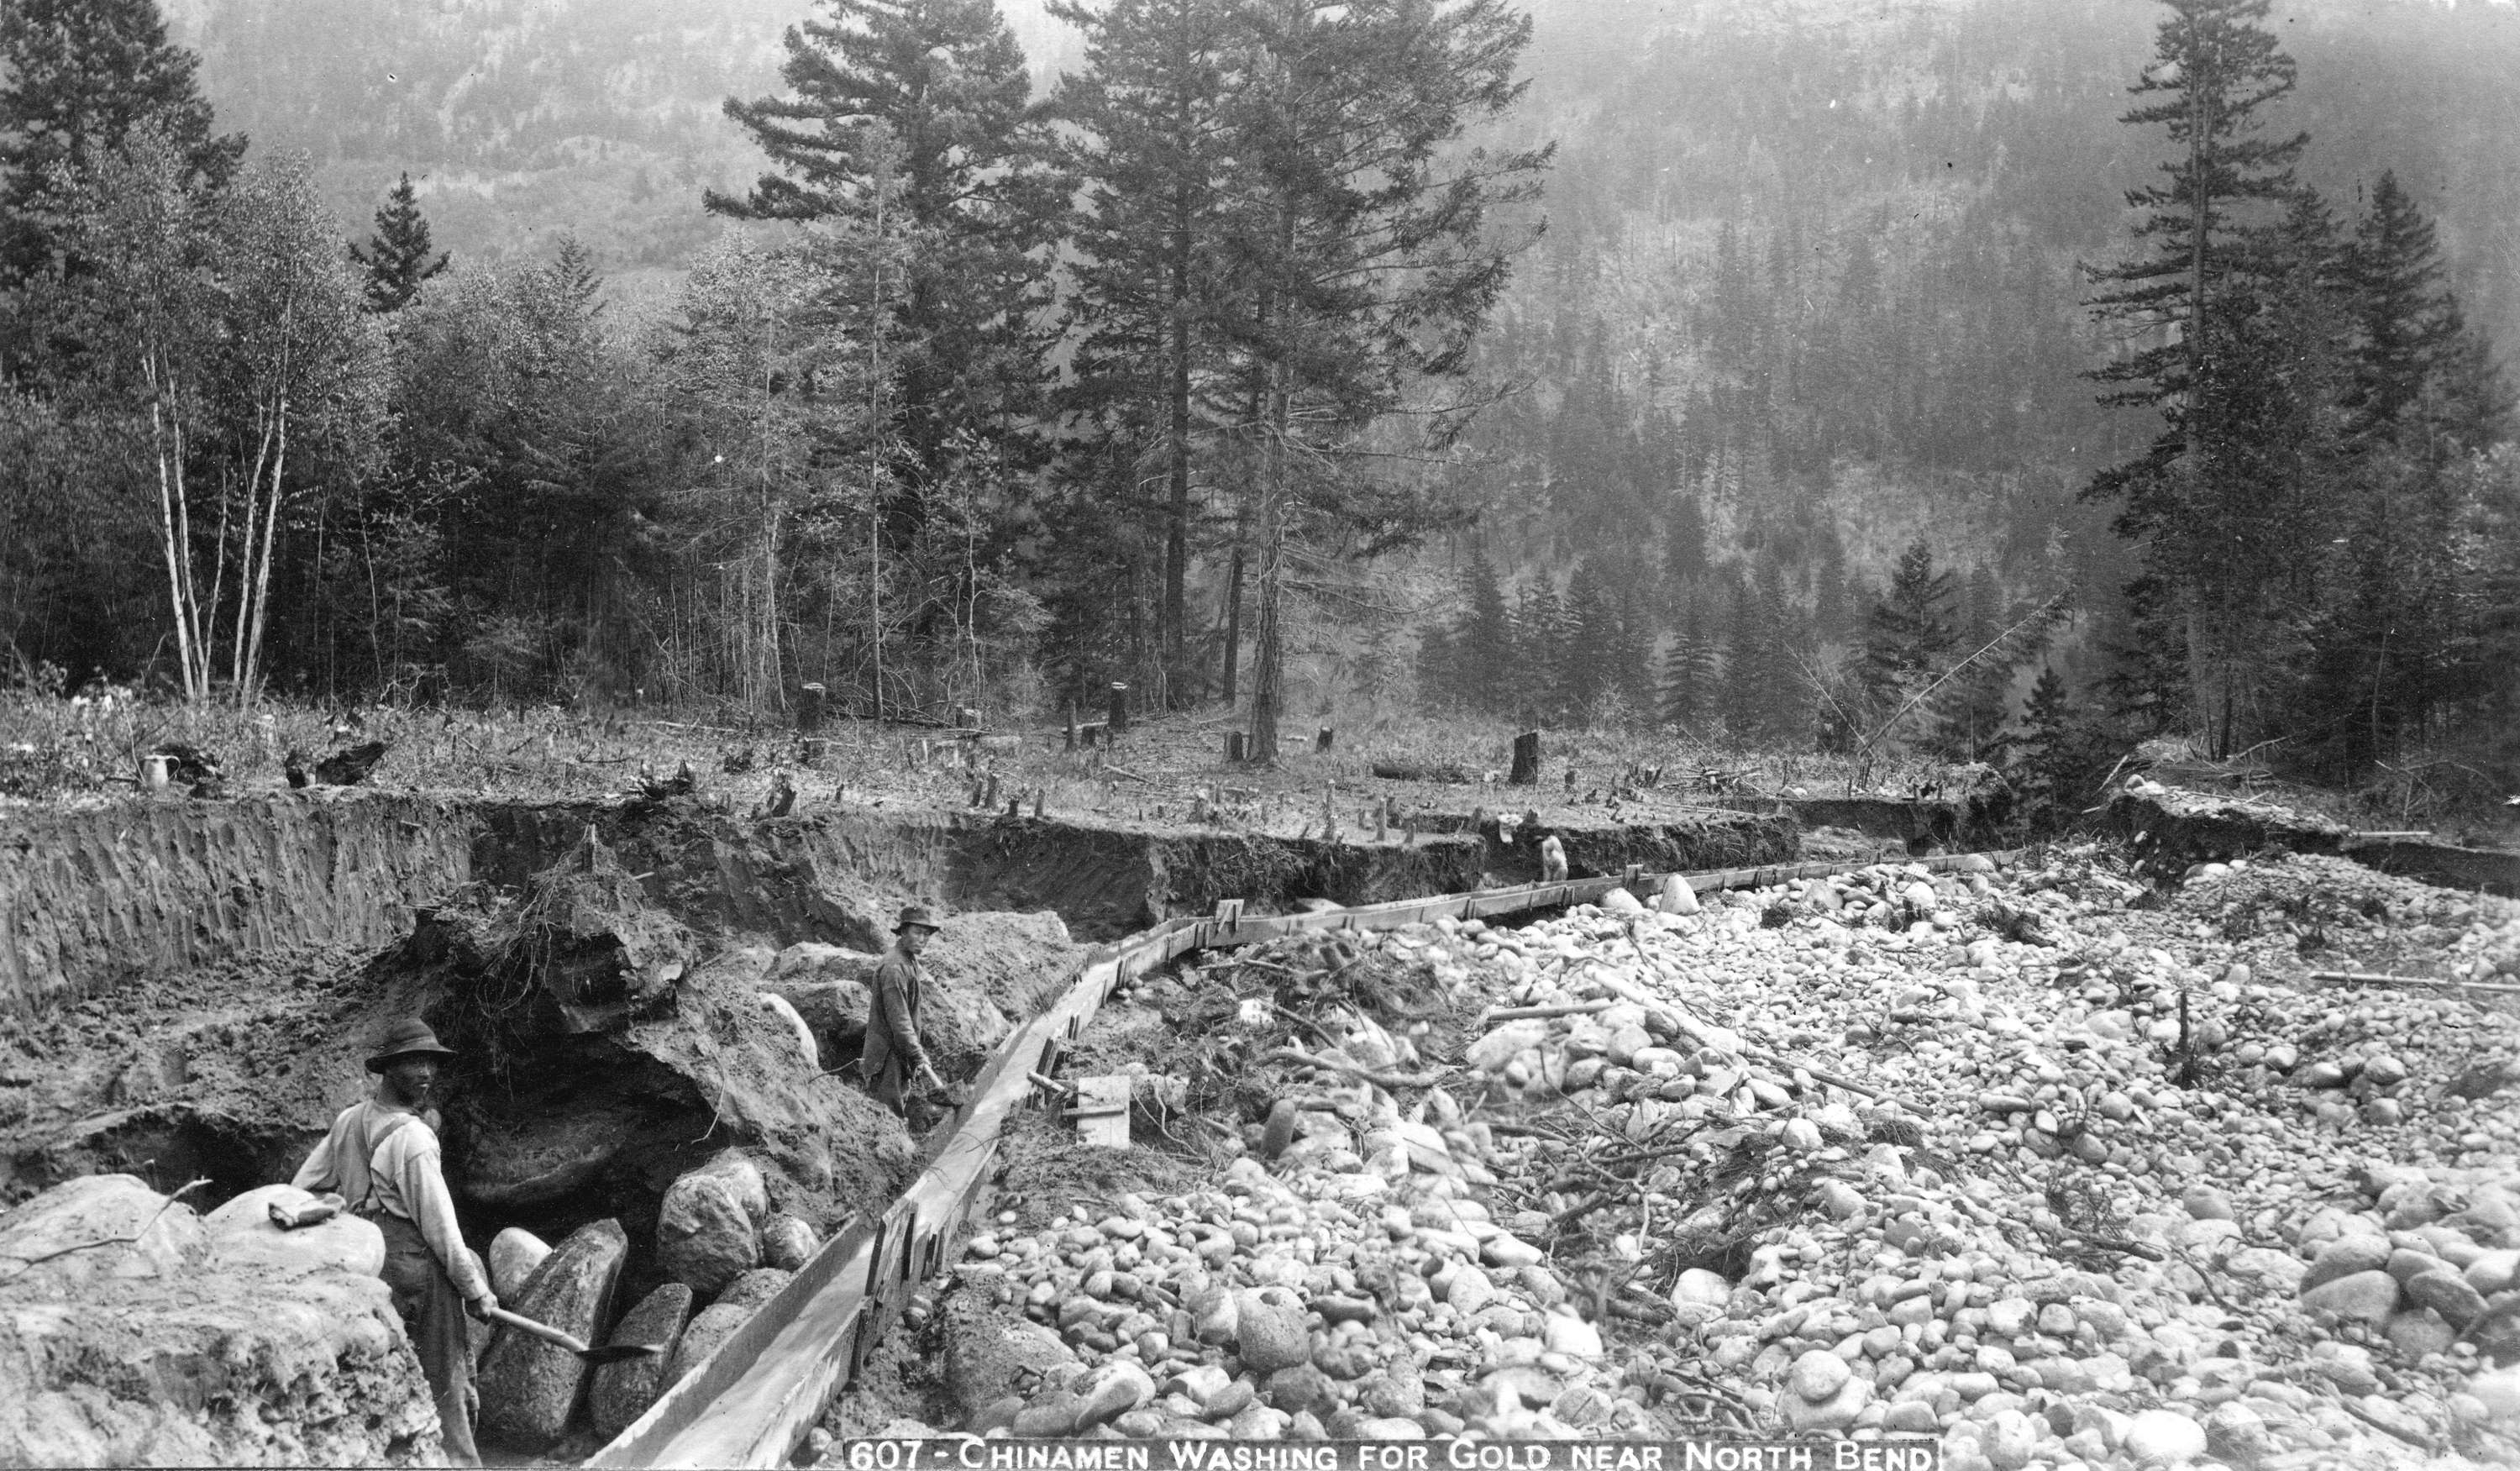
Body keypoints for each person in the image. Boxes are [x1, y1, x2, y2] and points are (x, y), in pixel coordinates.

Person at [293, 1019, 496, 1467]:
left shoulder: (349, 1121)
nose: (426, 1071)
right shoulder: (414, 1138)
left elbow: (302, 1188)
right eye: (412, 1061)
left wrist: (344, 1209)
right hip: (417, 1275)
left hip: (366, 1271)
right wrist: (476, 1292)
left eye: (431, 1062)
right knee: (446, 1386)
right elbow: (442, 1231)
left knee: (390, 1388)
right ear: (387, 1069)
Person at [861, 904, 948, 1116]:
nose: (923, 939)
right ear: (902, 932)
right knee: (887, 1114)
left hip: (900, 1052)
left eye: (927, 934)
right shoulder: (894, 967)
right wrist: (918, 1054)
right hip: (887, 1055)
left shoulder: (908, 961)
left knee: (897, 1105)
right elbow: (899, 1021)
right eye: (917, 932)